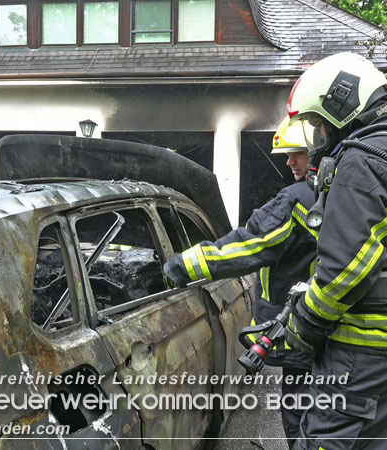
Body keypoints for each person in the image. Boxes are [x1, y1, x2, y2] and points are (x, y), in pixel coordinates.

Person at [283, 52, 387, 450]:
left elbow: (347, 270)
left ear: (341, 105)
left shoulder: (363, 160)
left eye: (318, 123)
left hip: (374, 348)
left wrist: (303, 325)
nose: (319, 136)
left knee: (328, 440)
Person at [163, 117, 317, 447]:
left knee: (302, 423)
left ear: (317, 152)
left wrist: (180, 266)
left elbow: (249, 244)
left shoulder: (298, 199)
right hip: (322, 332)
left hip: (303, 337)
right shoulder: (335, 196)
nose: (289, 161)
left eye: (298, 154)